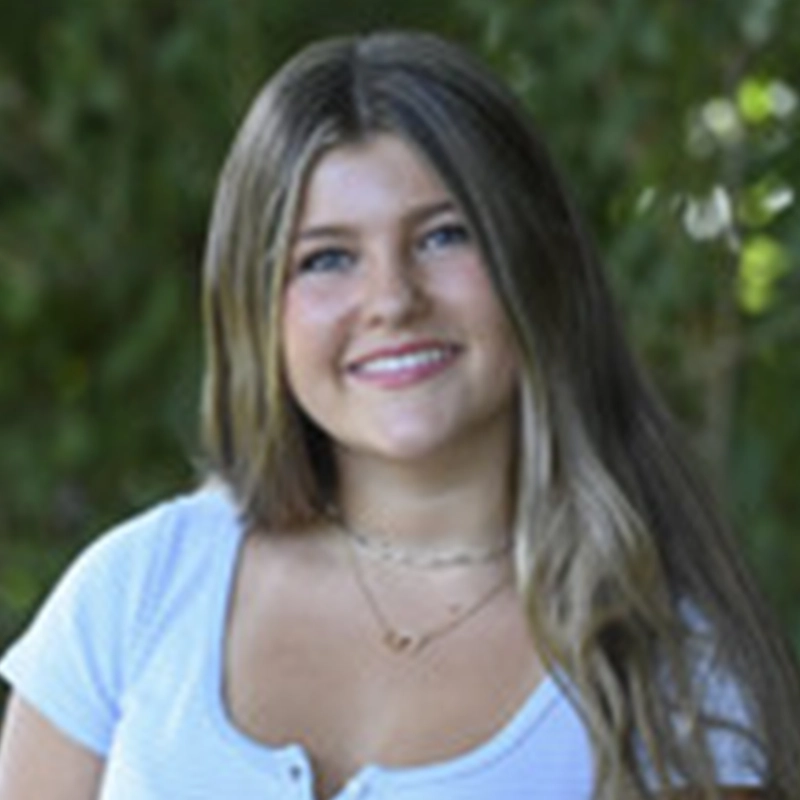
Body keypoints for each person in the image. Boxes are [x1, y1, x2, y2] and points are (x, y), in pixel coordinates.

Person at [0, 29, 798, 800]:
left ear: (538, 264)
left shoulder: (668, 673)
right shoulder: (137, 592)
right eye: (327, 259)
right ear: (256, 309)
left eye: (445, 237)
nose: (392, 300)